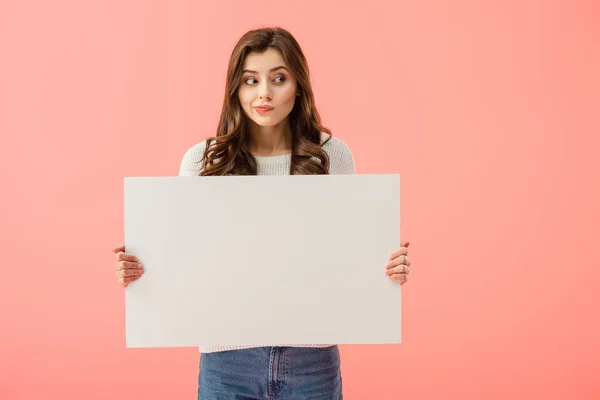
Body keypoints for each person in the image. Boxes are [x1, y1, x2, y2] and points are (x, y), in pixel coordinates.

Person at [112, 26, 412, 400]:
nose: (264, 93)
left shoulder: (332, 155)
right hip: (227, 361)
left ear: (298, 85)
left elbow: (342, 252)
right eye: (250, 80)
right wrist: (144, 268)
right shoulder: (204, 160)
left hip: (312, 360)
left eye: (278, 78)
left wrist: (383, 266)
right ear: (235, 89)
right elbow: (186, 259)